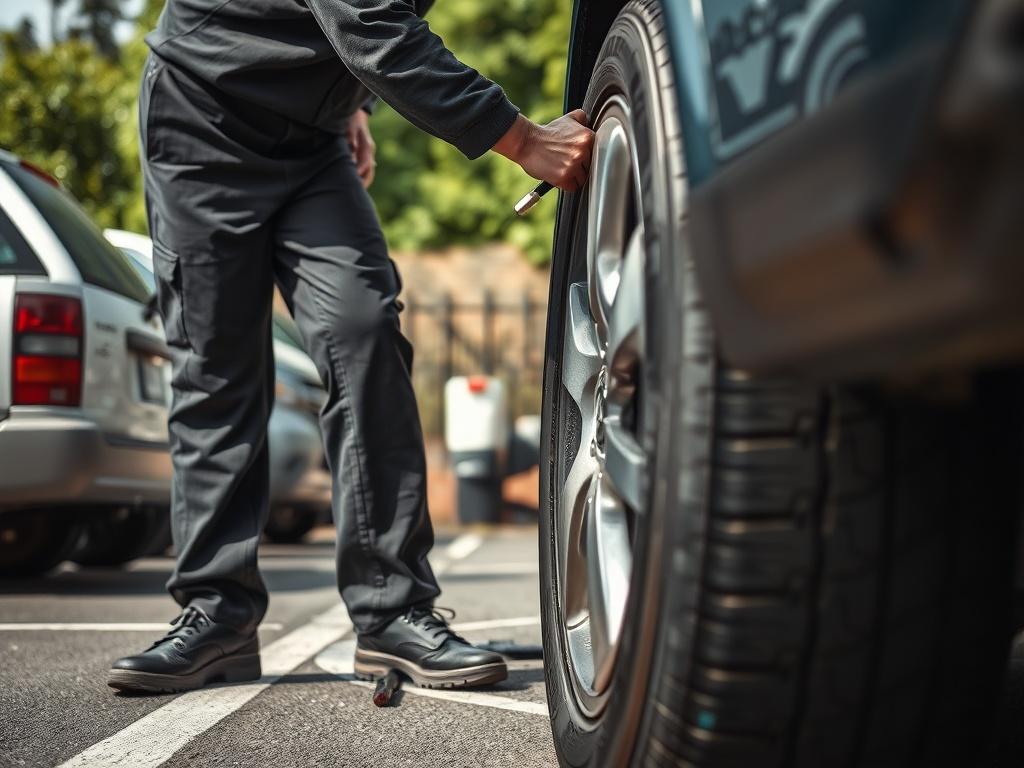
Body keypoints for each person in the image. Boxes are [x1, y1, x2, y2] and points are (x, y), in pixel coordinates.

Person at [107, 0, 593, 694]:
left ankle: (393, 615)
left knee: (364, 331)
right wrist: (523, 140)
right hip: (202, 117)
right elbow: (376, 29)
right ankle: (217, 616)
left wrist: (349, 101)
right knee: (217, 367)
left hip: (315, 141)